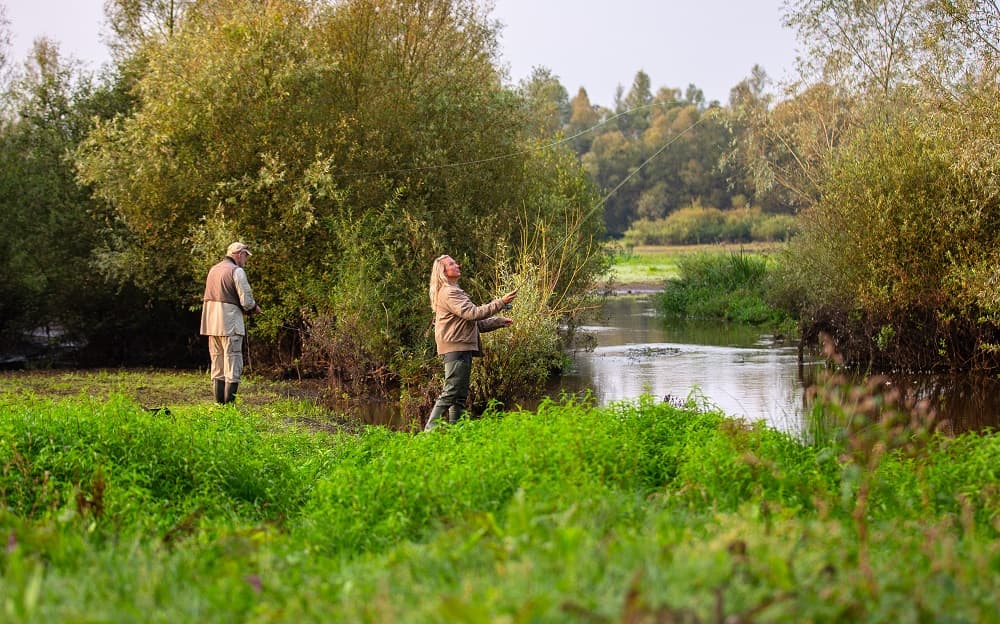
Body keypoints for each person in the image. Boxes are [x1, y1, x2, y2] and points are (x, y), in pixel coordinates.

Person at [424, 254, 517, 431]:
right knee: (451, 392)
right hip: (456, 348)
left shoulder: (452, 291)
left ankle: (455, 433)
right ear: (443, 271)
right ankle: (428, 432)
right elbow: (473, 313)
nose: (457, 265)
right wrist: (501, 302)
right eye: (452, 264)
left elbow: (474, 323)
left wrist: (499, 322)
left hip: (459, 347)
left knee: (459, 396)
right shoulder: (449, 292)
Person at [201, 242, 262, 404]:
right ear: (239, 254)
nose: (245, 260)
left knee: (218, 363)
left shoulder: (213, 270)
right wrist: (254, 309)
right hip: (230, 324)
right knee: (233, 362)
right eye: (245, 256)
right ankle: (229, 407)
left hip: (211, 323)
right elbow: (247, 300)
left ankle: (218, 405)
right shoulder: (237, 271)